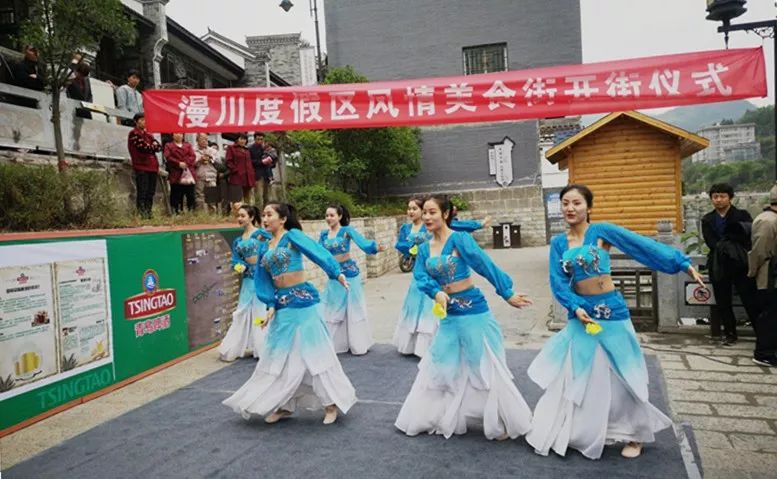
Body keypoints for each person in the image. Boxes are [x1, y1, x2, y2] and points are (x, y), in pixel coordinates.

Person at [526, 184, 705, 460]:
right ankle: (581, 428)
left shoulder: (601, 232)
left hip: (612, 311)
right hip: (583, 315)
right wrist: (575, 306)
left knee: (623, 373)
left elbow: (639, 245)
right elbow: (558, 282)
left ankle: (635, 434)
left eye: (576, 203)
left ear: (588, 207)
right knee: (582, 374)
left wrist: (681, 262)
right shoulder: (559, 244)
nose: (570, 208)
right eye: (565, 203)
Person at [394, 195, 533, 441]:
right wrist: (436, 292)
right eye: (424, 213)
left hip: (473, 311)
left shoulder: (459, 239)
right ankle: (436, 415)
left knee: (482, 364)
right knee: (440, 364)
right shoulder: (425, 248)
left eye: (432, 212)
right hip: (449, 315)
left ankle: (499, 419)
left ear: (445, 214)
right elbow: (420, 276)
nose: (426, 217)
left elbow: (484, 264)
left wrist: (506, 292)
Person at [223, 202, 357, 425]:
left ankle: (330, 404)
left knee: (315, 354)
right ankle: (284, 405)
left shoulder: (292, 236)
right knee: (280, 356)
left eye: (269, 215)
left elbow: (317, 253)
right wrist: (270, 305)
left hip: (304, 303)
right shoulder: (264, 245)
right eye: (263, 215)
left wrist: (337, 273)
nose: (264, 219)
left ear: (283, 218)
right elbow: (263, 278)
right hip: (283, 304)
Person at [393, 197, 491, 357]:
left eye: (415, 209)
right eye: (409, 208)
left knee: (431, 310)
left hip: (436, 274)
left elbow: (457, 225)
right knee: (414, 307)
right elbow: (401, 244)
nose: (411, 212)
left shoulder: (432, 228)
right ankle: (413, 343)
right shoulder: (405, 228)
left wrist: (478, 224)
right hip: (420, 272)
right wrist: (409, 248)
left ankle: (430, 345)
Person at [319, 204, 385, 355]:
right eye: (327, 215)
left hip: (349, 272)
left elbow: (362, 242)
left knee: (353, 307)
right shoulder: (323, 234)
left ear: (340, 216)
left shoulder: (346, 231)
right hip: (334, 275)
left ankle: (358, 343)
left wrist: (374, 247)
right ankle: (338, 344)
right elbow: (318, 252)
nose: (329, 218)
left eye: (332, 215)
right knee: (334, 307)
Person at [701, 183, 760, 345]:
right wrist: (729, 243)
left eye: (722, 196)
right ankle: (730, 334)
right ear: (711, 199)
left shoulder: (742, 215)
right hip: (719, 264)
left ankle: (761, 333)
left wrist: (727, 244)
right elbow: (711, 242)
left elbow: (748, 237)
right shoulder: (707, 219)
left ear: (730, 198)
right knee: (723, 301)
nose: (718, 200)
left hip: (741, 264)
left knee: (750, 299)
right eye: (715, 197)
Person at [218, 205, 270, 362]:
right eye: (238, 216)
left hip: (261, 278)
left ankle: (263, 347)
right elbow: (235, 259)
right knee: (242, 310)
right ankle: (235, 346)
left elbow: (273, 248)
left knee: (260, 311)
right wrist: (238, 266)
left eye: (243, 216)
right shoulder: (238, 240)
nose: (239, 219)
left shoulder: (261, 235)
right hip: (247, 279)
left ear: (252, 217)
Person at [747, 182, 777, 367]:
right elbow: (759, 252)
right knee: (770, 315)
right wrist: (753, 272)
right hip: (769, 276)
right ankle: (763, 353)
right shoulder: (767, 221)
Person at [127, 113, 161, 218]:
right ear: (136, 122)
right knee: (142, 191)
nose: (144, 122)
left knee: (151, 192)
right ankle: (142, 213)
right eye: (141, 120)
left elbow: (158, 147)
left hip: (152, 167)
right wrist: (152, 146)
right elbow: (143, 148)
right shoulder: (133, 133)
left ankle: (148, 212)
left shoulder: (149, 135)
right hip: (141, 166)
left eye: (145, 120)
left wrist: (151, 146)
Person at [164, 133, 196, 214]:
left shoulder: (188, 145)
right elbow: (168, 157)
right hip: (176, 173)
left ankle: (191, 212)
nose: (178, 135)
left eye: (180, 133)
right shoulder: (169, 145)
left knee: (190, 195)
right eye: (176, 133)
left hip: (188, 173)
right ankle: (176, 212)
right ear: (173, 135)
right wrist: (178, 163)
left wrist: (186, 163)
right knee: (176, 194)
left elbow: (192, 156)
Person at [193, 133, 221, 212]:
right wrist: (200, 160)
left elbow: (219, 162)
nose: (204, 141)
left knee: (212, 198)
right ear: (197, 140)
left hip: (211, 176)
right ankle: (201, 216)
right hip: (199, 176)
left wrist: (211, 158)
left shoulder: (213, 150)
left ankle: (213, 217)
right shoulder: (193, 150)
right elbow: (191, 163)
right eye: (202, 139)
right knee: (199, 197)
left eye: (206, 139)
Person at [226, 134, 255, 206]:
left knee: (248, 198)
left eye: (244, 139)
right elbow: (228, 161)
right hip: (237, 177)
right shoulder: (231, 148)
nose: (243, 141)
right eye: (241, 139)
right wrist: (235, 170)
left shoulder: (247, 150)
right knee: (237, 199)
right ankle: (236, 214)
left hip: (248, 177)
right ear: (237, 139)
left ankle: (248, 213)